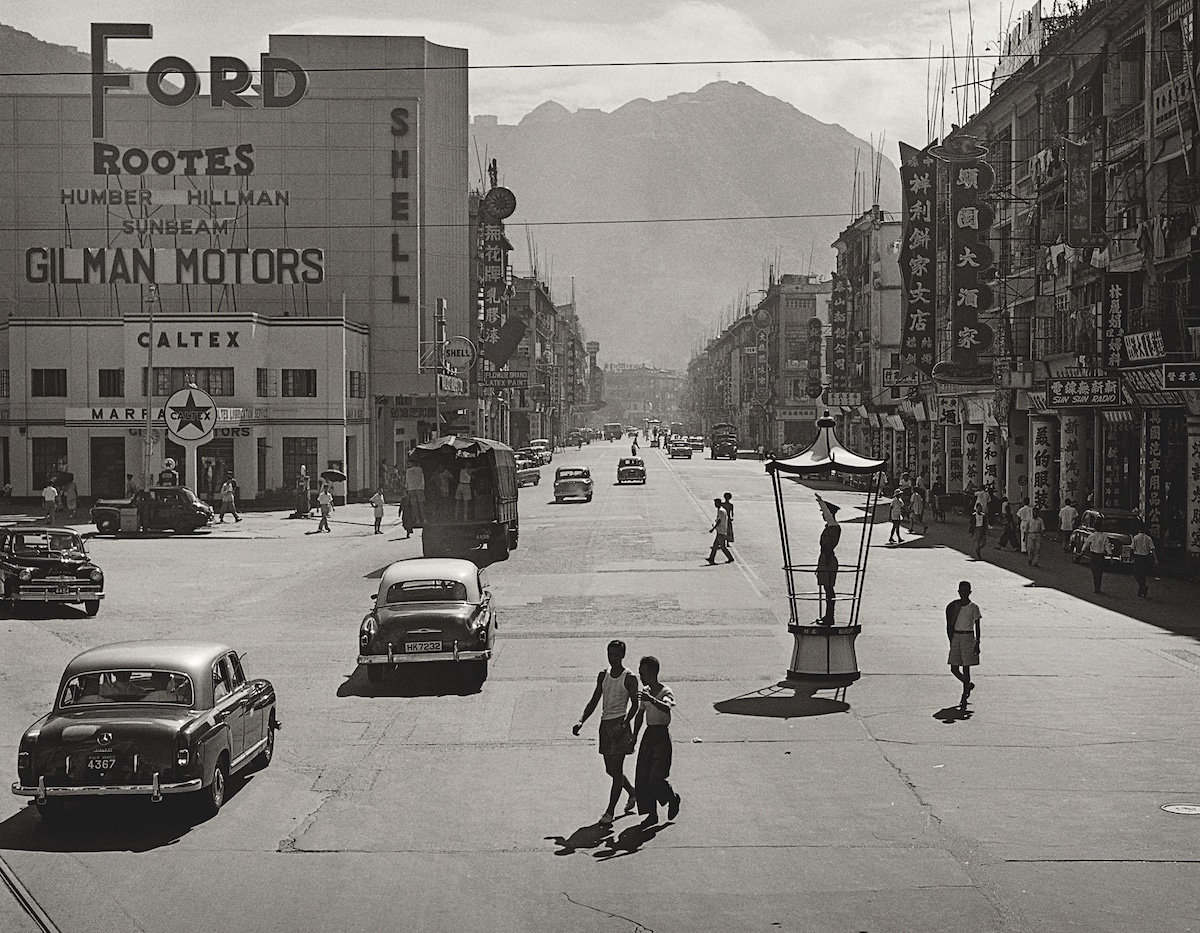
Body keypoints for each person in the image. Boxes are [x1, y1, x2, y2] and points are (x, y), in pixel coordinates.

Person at [573, 639, 639, 826]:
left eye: (617, 655)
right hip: (605, 725)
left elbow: (635, 705)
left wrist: (624, 724)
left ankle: (609, 812)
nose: (613, 658)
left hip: (620, 725)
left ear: (623, 655)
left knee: (616, 770)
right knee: (610, 769)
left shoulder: (630, 678)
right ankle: (632, 792)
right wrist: (581, 720)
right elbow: (594, 700)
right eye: (611, 654)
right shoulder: (603, 675)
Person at [631, 655, 680, 827]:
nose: (641, 677)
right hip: (649, 734)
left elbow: (667, 707)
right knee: (642, 776)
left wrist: (652, 699)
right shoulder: (645, 691)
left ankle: (671, 798)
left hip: (661, 736)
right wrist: (634, 736)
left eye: (643, 674)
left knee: (655, 777)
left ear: (653, 673)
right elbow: (640, 714)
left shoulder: (665, 691)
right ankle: (651, 814)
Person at [946, 580, 982, 706]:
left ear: (970, 592)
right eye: (961, 591)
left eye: (966, 591)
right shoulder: (954, 606)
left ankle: (965, 692)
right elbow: (949, 623)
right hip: (957, 636)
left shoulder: (973, 607)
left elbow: (977, 625)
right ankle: (967, 684)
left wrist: (977, 642)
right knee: (954, 667)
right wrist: (951, 639)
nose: (964, 594)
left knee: (966, 667)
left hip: (968, 637)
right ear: (958, 592)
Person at [815, 495, 841, 625]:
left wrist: (821, 503)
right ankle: (828, 616)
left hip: (828, 561)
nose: (823, 515)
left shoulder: (834, 527)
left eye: (824, 513)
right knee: (827, 589)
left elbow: (829, 517)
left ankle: (830, 616)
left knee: (829, 590)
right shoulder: (829, 527)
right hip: (825, 559)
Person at [1082, 521, 1108, 593]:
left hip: (1094, 555)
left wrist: (1082, 552)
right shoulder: (1104, 536)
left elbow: (1086, 544)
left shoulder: (1092, 536)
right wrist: (1110, 555)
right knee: (1100, 572)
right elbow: (1107, 546)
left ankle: (1096, 587)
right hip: (1101, 556)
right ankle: (1098, 586)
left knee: (1094, 572)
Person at [1131, 523, 1156, 597]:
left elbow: (1132, 548)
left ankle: (1142, 587)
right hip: (1146, 558)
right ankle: (1142, 590)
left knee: (1137, 574)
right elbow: (1153, 549)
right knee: (1143, 575)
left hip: (1138, 557)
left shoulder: (1135, 538)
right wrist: (1155, 559)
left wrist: (1131, 557)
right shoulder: (1148, 538)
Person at [706, 498, 733, 564]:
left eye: (716, 503)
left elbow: (719, 521)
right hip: (721, 531)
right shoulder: (722, 510)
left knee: (723, 547)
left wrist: (713, 528)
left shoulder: (721, 511)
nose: (715, 505)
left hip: (721, 531)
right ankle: (711, 558)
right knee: (715, 546)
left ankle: (730, 558)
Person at [404, 461, 425, 529]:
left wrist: (407, 488)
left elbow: (407, 480)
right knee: (421, 504)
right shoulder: (420, 469)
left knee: (414, 505)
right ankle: (424, 519)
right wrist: (422, 487)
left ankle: (417, 519)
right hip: (419, 488)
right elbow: (422, 478)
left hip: (411, 488)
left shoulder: (408, 471)